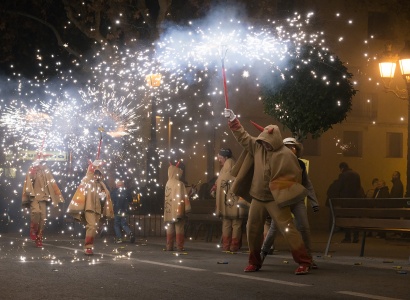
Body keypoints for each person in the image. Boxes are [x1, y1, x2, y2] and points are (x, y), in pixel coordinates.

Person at [224, 108, 312, 275]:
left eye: (267, 142)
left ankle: (304, 262)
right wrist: (233, 120)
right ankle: (254, 262)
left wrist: (285, 195)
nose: (264, 144)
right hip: (257, 198)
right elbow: (243, 137)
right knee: (252, 229)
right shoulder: (257, 147)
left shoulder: (286, 154)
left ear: (275, 141)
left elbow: (295, 177)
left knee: (288, 230)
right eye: (262, 141)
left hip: (275, 200)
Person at [260, 137, 319, 268]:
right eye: (287, 147)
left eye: (293, 147)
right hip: (282, 200)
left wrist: (314, 202)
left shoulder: (300, 164)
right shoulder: (276, 163)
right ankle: (262, 254)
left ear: (296, 150)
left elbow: (307, 184)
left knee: (304, 228)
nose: (290, 149)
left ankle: (308, 258)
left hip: (297, 199)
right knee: (274, 229)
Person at [67, 160, 114, 255]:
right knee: (91, 226)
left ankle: (89, 245)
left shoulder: (102, 184)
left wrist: (103, 196)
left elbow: (106, 196)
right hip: (89, 208)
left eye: (98, 173)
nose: (96, 175)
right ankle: (88, 247)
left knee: (94, 227)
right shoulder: (88, 181)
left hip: (98, 210)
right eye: (95, 173)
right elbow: (88, 176)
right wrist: (92, 166)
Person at [22, 154, 65, 247]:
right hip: (34, 197)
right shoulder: (32, 169)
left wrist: (55, 196)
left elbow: (51, 182)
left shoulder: (46, 171)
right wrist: (34, 167)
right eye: (41, 162)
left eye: (43, 162)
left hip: (43, 198)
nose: (42, 164)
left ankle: (39, 238)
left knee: (43, 219)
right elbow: (30, 179)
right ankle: (33, 229)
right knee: (36, 212)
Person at [211, 148, 246, 252]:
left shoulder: (222, 173)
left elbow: (215, 187)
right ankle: (234, 246)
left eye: (220, 158)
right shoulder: (238, 170)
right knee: (236, 224)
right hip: (236, 205)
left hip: (225, 205)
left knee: (226, 224)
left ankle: (226, 246)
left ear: (226, 157)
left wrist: (214, 192)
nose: (219, 160)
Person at [164, 161, 191, 251]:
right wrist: (187, 208)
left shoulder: (167, 183)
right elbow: (185, 196)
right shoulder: (180, 184)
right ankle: (179, 246)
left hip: (169, 210)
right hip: (178, 210)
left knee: (170, 228)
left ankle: (169, 246)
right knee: (179, 228)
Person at [337, 162, 362, 243]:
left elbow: (339, 187)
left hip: (346, 200)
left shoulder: (343, 175)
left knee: (347, 219)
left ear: (342, 168)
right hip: (356, 200)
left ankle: (347, 237)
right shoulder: (356, 174)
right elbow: (359, 187)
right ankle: (356, 237)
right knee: (355, 219)